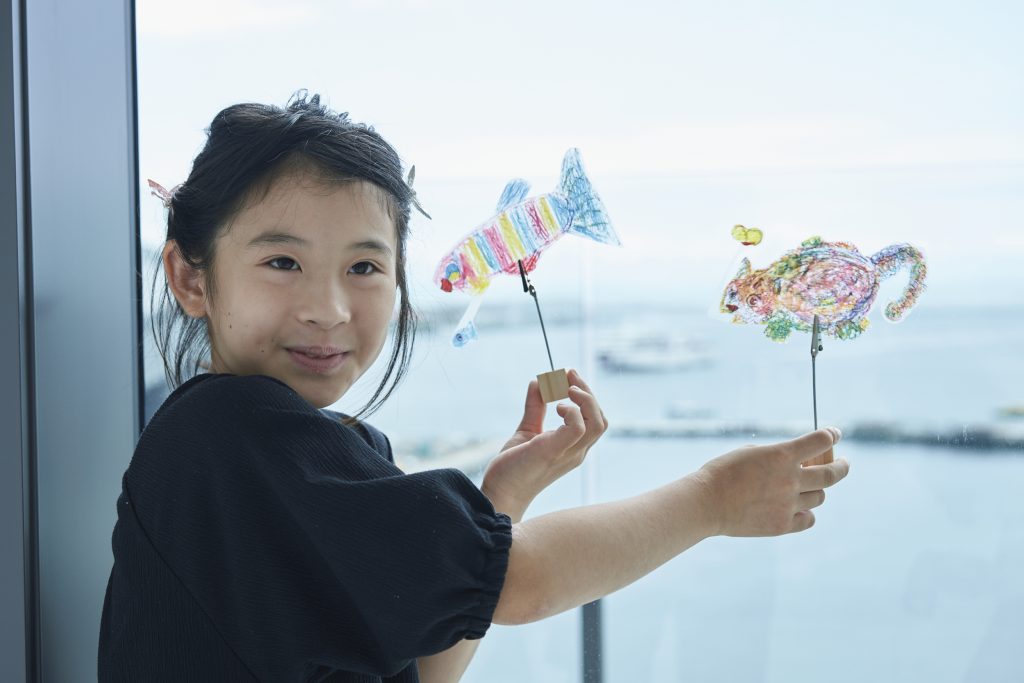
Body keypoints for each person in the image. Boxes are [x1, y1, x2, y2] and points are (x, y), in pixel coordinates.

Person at [98, 92, 850, 683]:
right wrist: (712, 497)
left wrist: (501, 500)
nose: (327, 307)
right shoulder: (233, 437)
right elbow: (520, 584)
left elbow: (419, 667)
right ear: (190, 276)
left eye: (364, 267)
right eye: (283, 262)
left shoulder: (290, 448)